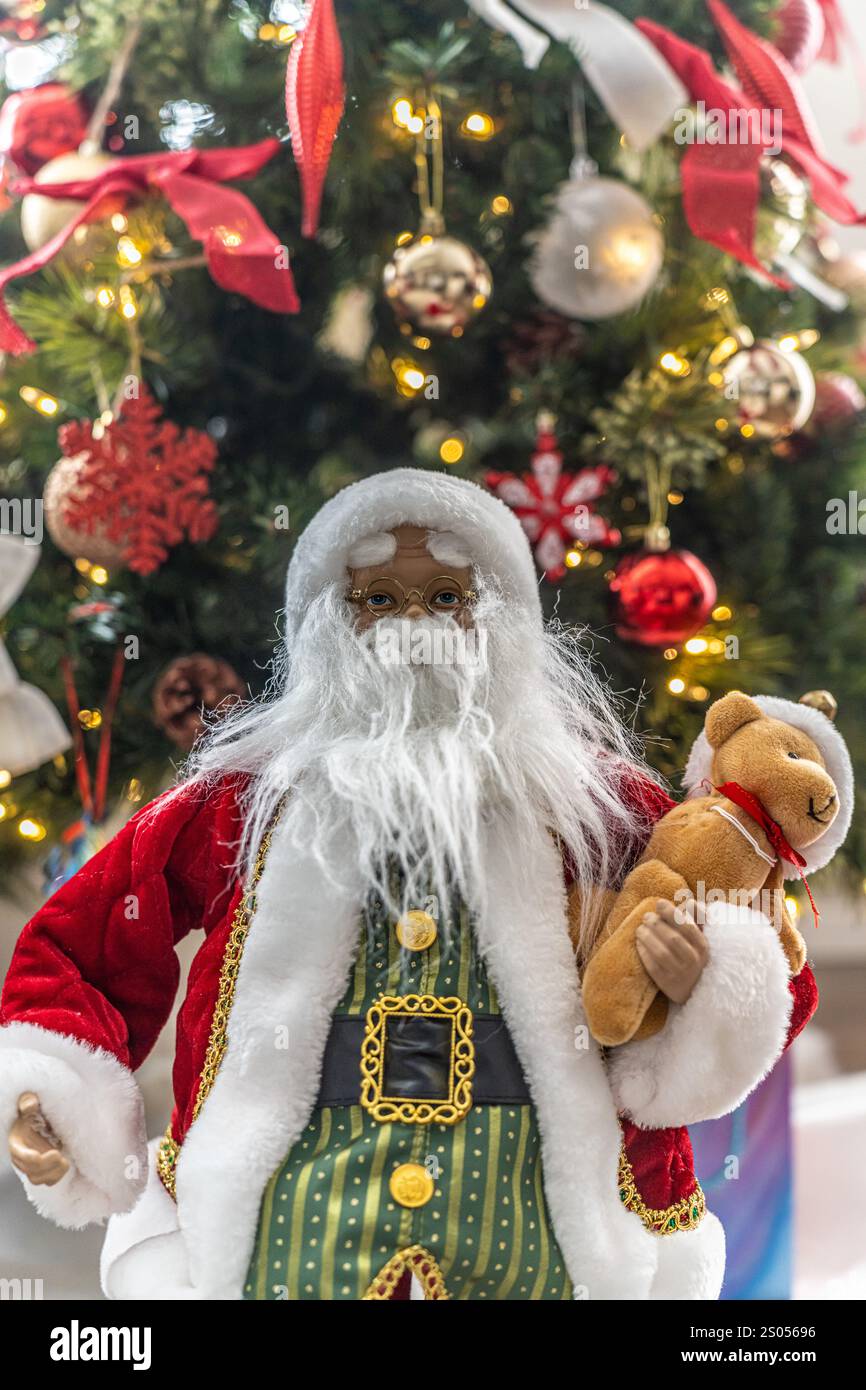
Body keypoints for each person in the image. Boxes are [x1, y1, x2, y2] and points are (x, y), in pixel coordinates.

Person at [0, 469, 815, 1300]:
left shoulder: (598, 807)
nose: (415, 623)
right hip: (297, 1211)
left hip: (537, 1217)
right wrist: (49, 1093)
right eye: (380, 600)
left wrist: (701, 981)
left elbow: (767, 958)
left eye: (447, 595)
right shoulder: (245, 801)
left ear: (502, 620)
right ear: (327, 625)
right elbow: (84, 937)